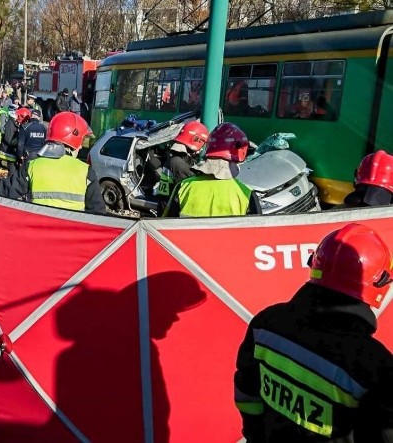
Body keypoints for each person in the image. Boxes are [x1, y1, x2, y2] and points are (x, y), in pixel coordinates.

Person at [234, 223, 393, 442]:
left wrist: (255, 436)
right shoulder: (375, 366)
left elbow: (246, 394)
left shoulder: (265, 325)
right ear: (379, 283)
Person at [0, 112, 105, 214]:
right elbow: (98, 214)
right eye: (81, 141)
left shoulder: (32, 166)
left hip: (37, 230)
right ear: (72, 138)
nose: (81, 146)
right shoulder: (85, 171)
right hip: (71, 232)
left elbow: (4, 192)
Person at [164, 122, 262, 217]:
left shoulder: (183, 187)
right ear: (240, 152)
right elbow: (257, 230)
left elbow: (165, 224)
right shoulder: (246, 194)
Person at [155, 121, 209, 212]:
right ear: (196, 140)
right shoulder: (179, 164)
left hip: (166, 206)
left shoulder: (174, 158)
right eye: (203, 143)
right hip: (171, 212)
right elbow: (190, 188)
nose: (202, 148)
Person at [0, 107, 30, 172]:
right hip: (8, 151)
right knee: (12, 172)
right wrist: (20, 141)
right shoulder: (10, 124)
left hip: (12, 151)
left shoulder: (15, 123)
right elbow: (8, 140)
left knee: (15, 170)